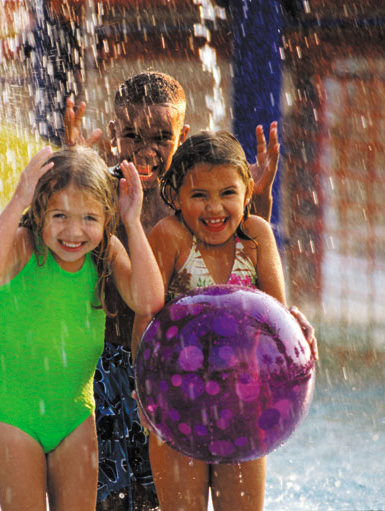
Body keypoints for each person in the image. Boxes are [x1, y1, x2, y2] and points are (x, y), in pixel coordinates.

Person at [63, 71, 285, 510]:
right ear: (112, 135)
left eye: (161, 137)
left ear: (182, 136)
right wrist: (75, 168)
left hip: (172, 368)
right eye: (130, 135)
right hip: (106, 364)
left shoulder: (186, 198)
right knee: (107, 494)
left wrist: (260, 193)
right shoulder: (102, 190)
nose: (145, 149)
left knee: (158, 494)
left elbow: (240, 246)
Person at [0, 146, 165, 511]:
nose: (74, 232)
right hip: (17, 421)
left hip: (75, 419)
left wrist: (132, 221)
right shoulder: (27, 246)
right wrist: (17, 202)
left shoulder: (105, 251)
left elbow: (149, 300)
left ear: (107, 217)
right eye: (60, 215)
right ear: (39, 211)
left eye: (89, 218)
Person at [131, 130, 307, 510]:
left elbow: (277, 318)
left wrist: (302, 340)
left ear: (247, 194)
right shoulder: (171, 236)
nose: (214, 209)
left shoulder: (255, 236)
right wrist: (145, 391)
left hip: (246, 404)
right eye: (199, 196)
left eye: (227, 193)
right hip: (177, 400)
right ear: (177, 197)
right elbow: (146, 314)